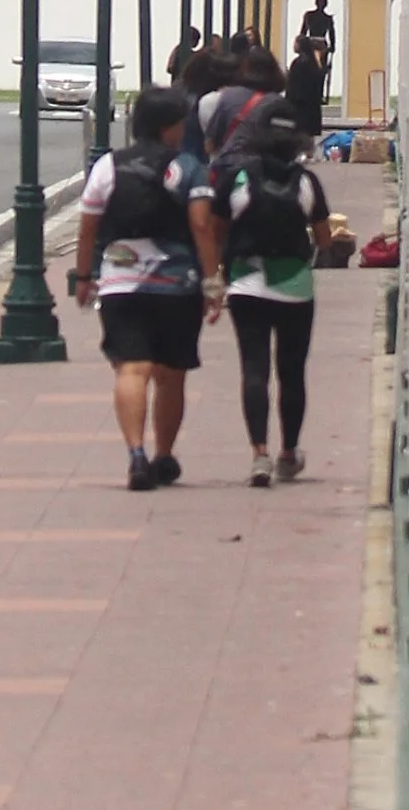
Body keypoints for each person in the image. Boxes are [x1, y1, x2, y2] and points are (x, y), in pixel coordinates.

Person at [70, 88, 224, 489]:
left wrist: (84, 277)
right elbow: (202, 226)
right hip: (178, 284)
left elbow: (88, 226)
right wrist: (212, 281)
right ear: (169, 126)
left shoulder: (109, 166)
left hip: (121, 282)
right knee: (171, 375)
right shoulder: (190, 168)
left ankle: (135, 452)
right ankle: (164, 454)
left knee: (132, 368)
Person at [211, 96, 339, 485]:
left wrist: (219, 272)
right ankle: (289, 452)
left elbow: (217, 231)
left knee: (254, 368)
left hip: (246, 282)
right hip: (295, 285)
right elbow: (324, 239)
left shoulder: (239, 177)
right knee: (292, 370)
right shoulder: (306, 182)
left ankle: (259, 455)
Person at [201, 36, 284, 164]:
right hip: (266, 170)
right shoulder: (278, 103)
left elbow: (210, 144)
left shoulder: (229, 96)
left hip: (232, 168)